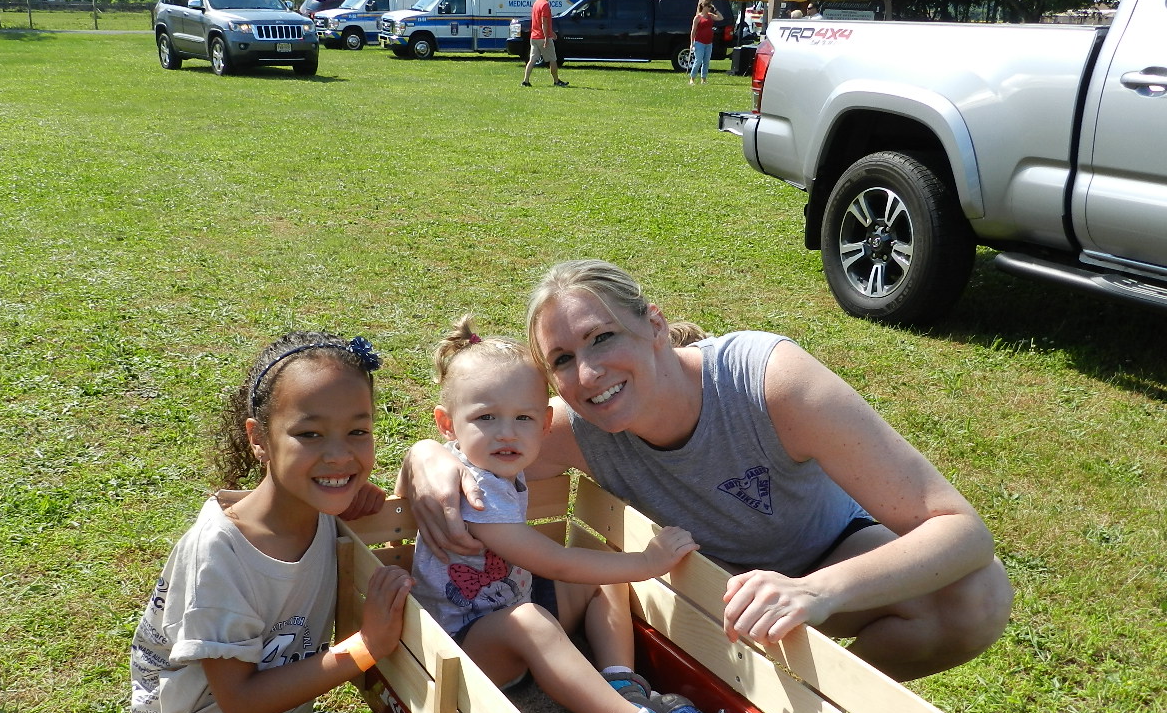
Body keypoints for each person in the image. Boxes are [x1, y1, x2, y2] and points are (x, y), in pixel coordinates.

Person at [398, 262, 1014, 683]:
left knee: (976, 597)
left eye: (602, 337)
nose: (587, 374)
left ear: (655, 325)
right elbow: (470, 445)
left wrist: (817, 592)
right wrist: (425, 456)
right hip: (711, 598)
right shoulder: (572, 427)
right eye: (562, 359)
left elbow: (962, 531)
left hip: (828, 557)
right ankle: (771, 712)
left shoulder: (768, 379)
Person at [77, 332, 414, 713]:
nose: (339, 455)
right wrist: (363, 649)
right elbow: (239, 702)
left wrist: (370, 497)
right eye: (310, 434)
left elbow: (388, 507)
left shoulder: (327, 511)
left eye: (357, 431)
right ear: (259, 439)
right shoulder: (221, 552)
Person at [407, 315, 726, 713]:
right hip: (465, 648)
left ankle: (620, 685)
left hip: (511, 606)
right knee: (534, 618)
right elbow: (554, 562)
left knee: (601, 576)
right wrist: (648, 562)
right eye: (486, 418)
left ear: (545, 423)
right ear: (448, 424)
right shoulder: (472, 492)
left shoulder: (492, 468)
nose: (506, 433)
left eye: (523, 418)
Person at [522, 0, 567, 87]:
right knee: (553, 59)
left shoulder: (536, 3)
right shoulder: (545, 4)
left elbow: (538, 21)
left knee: (532, 59)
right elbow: (544, 22)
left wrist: (551, 32)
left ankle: (526, 81)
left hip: (534, 36)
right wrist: (547, 37)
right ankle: (556, 81)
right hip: (542, 37)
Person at [688, 0, 722, 85]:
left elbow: (721, 18)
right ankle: (692, 78)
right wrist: (692, 43)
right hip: (699, 42)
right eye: (708, 6)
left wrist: (715, 10)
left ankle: (703, 79)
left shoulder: (711, 16)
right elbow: (693, 31)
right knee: (698, 61)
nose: (710, 8)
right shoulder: (697, 17)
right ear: (704, 7)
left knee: (706, 62)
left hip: (709, 43)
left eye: (710, 6)